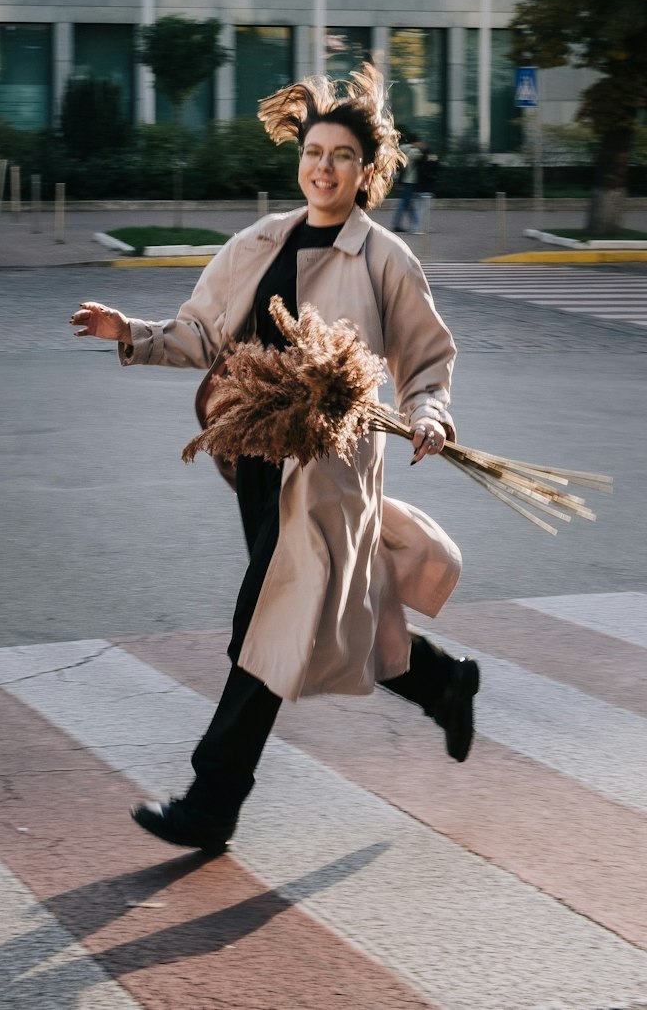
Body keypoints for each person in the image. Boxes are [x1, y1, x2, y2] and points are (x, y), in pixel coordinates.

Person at [71, 66, 479, 855]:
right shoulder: (258, 243)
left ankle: (213, 801)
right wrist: (131, 333)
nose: (324, 167)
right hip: (255, 460)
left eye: (342, 157)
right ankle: (442, 683)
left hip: (331, 468)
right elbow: (201, 336)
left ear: (367, 172)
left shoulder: (385, 259)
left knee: (269, 613)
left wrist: (430, 413)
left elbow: (426, 361)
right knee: (332, 611)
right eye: (314, 152)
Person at [392, 132, 422, 233]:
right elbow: (420, 156)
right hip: (410, 180)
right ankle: (397, 223)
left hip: (404, 179)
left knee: (408, 203)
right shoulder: (413, 151)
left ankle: (415, 224)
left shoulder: (401, 149)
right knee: (405, 203)